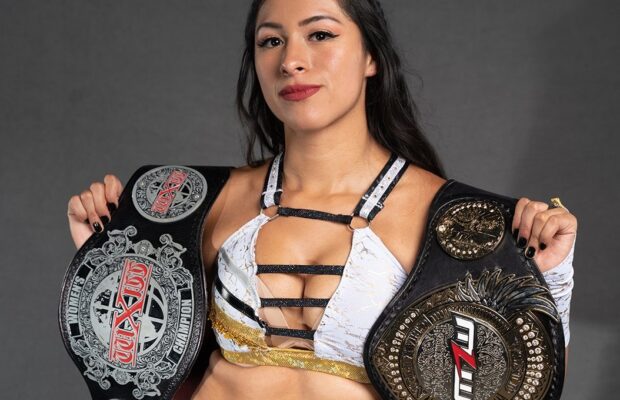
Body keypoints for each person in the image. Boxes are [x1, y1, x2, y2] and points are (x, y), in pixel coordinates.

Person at [66, 1, 578, 399]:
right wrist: (108, 260)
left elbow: (516, 383)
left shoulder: (464, 226)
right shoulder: (199, 202)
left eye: (320, 34)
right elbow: (139, 373)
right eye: (271, 41)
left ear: (371, 56)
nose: (291, 61)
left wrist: (550, 279)